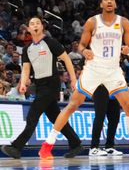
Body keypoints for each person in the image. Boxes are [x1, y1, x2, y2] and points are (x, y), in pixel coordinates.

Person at [42, 0, 129, 159]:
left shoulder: (124, 22)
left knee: (128, 107)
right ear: (101, 3)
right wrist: (84, 50)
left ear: (115, 3)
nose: (109, 1)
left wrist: (128, 51)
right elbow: (81, 45)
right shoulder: (92, 22)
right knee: (72, 105)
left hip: (113, 70)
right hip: (93, 70)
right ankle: (47, 145)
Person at [0, 17, 82, 160]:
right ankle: (75, 143)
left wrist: (73, 79)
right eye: (32, 24)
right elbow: (26, 68)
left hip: (52, 83)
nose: (35, 25)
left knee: (32, 115)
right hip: (39, 85)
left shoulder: (51, 42)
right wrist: (23, 83)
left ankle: (16, 147)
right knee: (55, 117)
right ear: (29, 29)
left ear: (42, 27)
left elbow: (67, 59)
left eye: (38, 23)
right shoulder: (27, 49)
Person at [89, 84, 123, 157]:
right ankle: (93, 147)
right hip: (100, 87)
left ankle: (109, 146)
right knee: (100, 117)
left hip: (113, 88)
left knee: (114, 118)